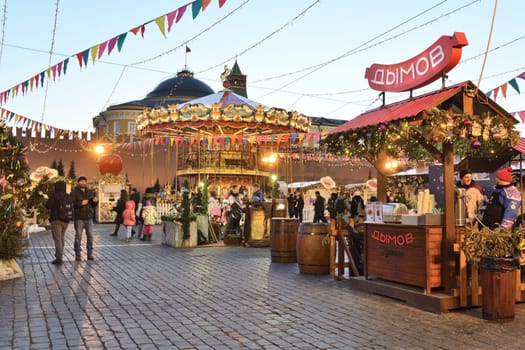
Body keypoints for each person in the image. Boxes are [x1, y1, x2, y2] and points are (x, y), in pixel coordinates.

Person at [71, 176, 98, 261]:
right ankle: (77, 254)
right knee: (78, 236)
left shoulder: (89, 192)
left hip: (89, 217)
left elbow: (92, 205)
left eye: (84, 181)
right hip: (79, 217)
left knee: (90, 236)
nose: (83, 183)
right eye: (81, 181)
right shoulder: (74, 192)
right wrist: (80, 203)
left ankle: (90, 254)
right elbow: (71, 204)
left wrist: (95, 202)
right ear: (78, 182)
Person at [45, 180, 70, 265]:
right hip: (66, 220)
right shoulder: (67, 195)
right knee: (61, 238)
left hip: (56, 220)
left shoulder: (54, 195)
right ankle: (60, 255)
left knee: (57, 239)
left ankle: (59, 258)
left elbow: (48, 206)